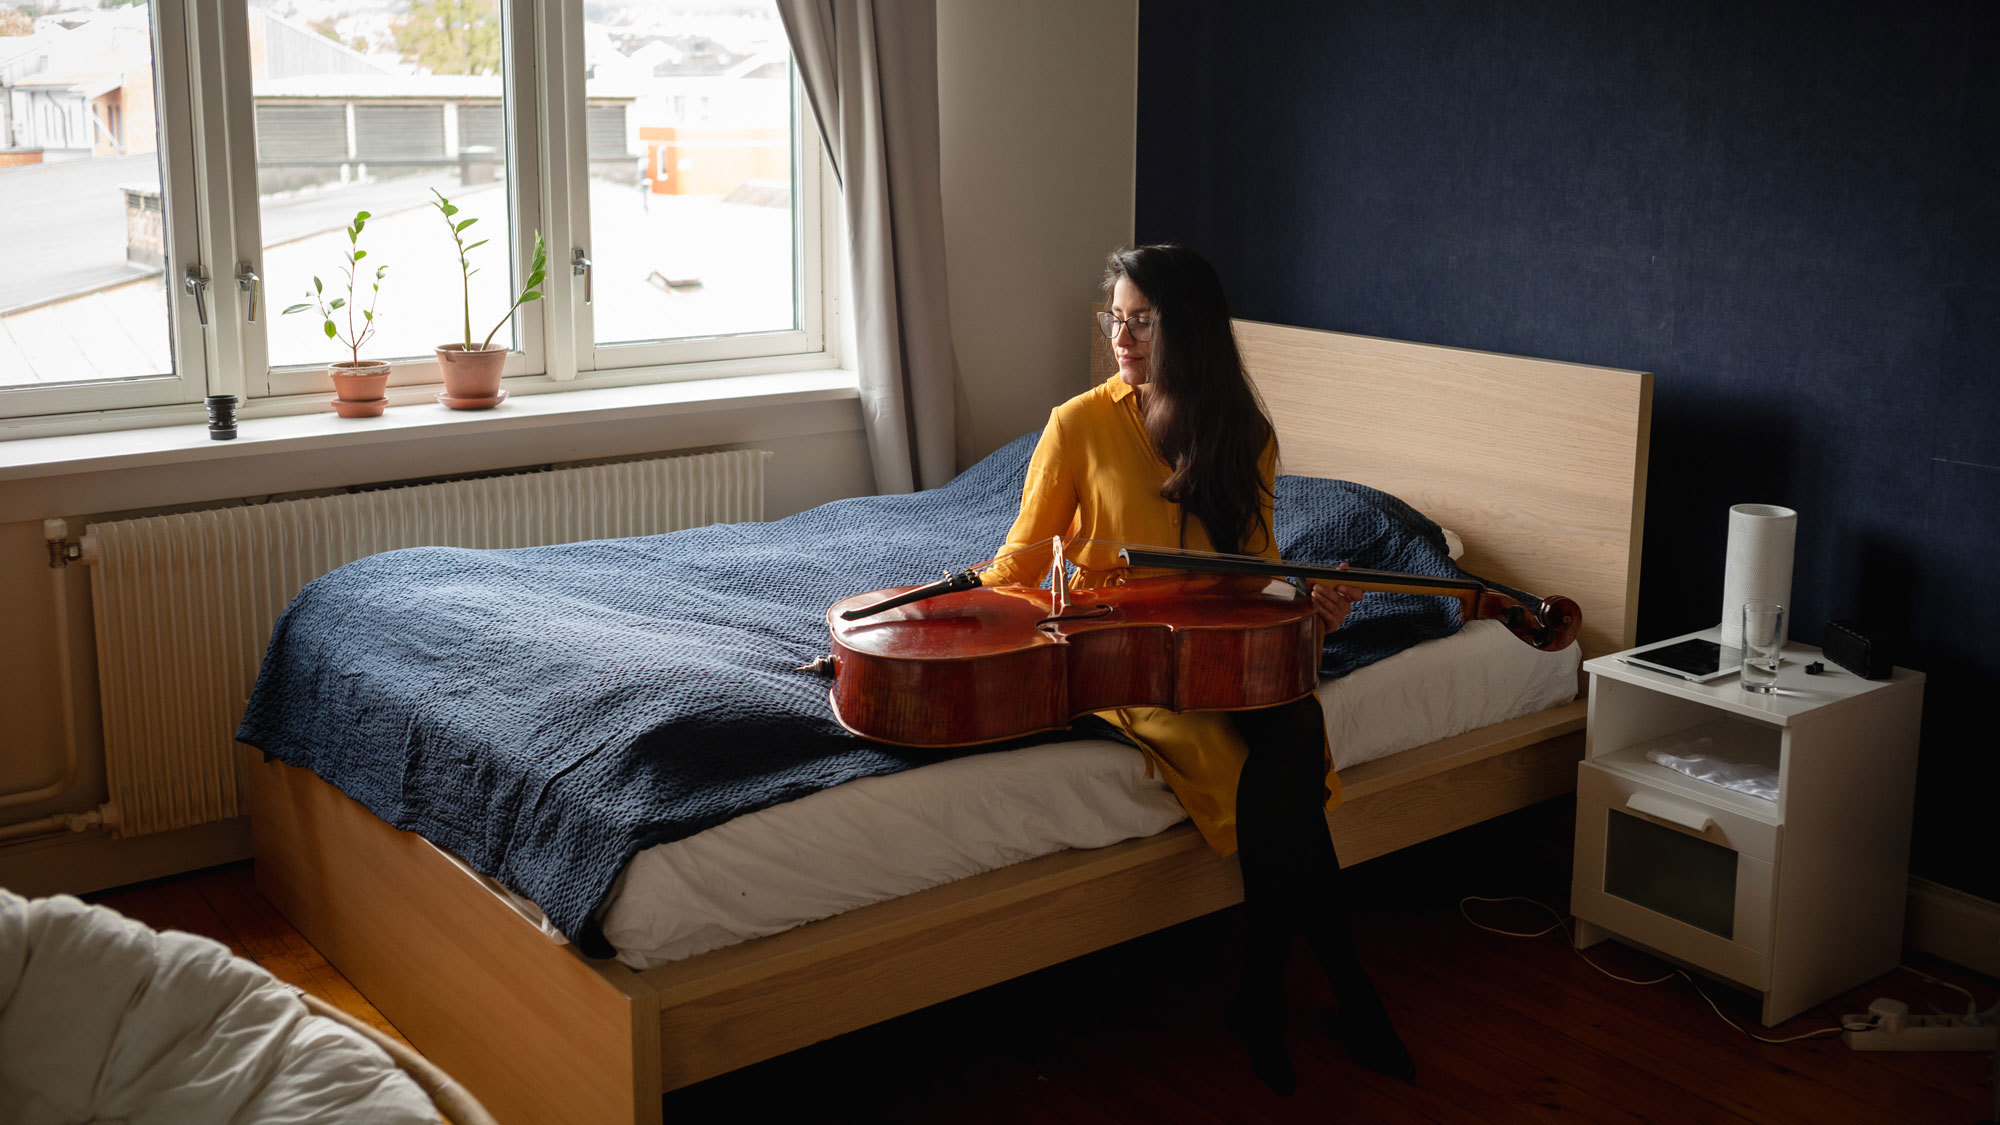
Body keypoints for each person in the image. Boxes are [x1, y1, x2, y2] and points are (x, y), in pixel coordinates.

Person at [979, 244, 1415, 1095]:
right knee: (1270, 766)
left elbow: (1257, 570)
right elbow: (1019, 565)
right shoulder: (1079, 424)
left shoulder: (1242, 435)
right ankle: (1338, 994)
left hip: (1218, 653)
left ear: (1189, 330)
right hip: (1127, 661)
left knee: (1291, 723)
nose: (1121, 336)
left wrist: (1306, 603)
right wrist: (934, 618)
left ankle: (1262, 994)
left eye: (1142, 321)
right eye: (1116, 318)